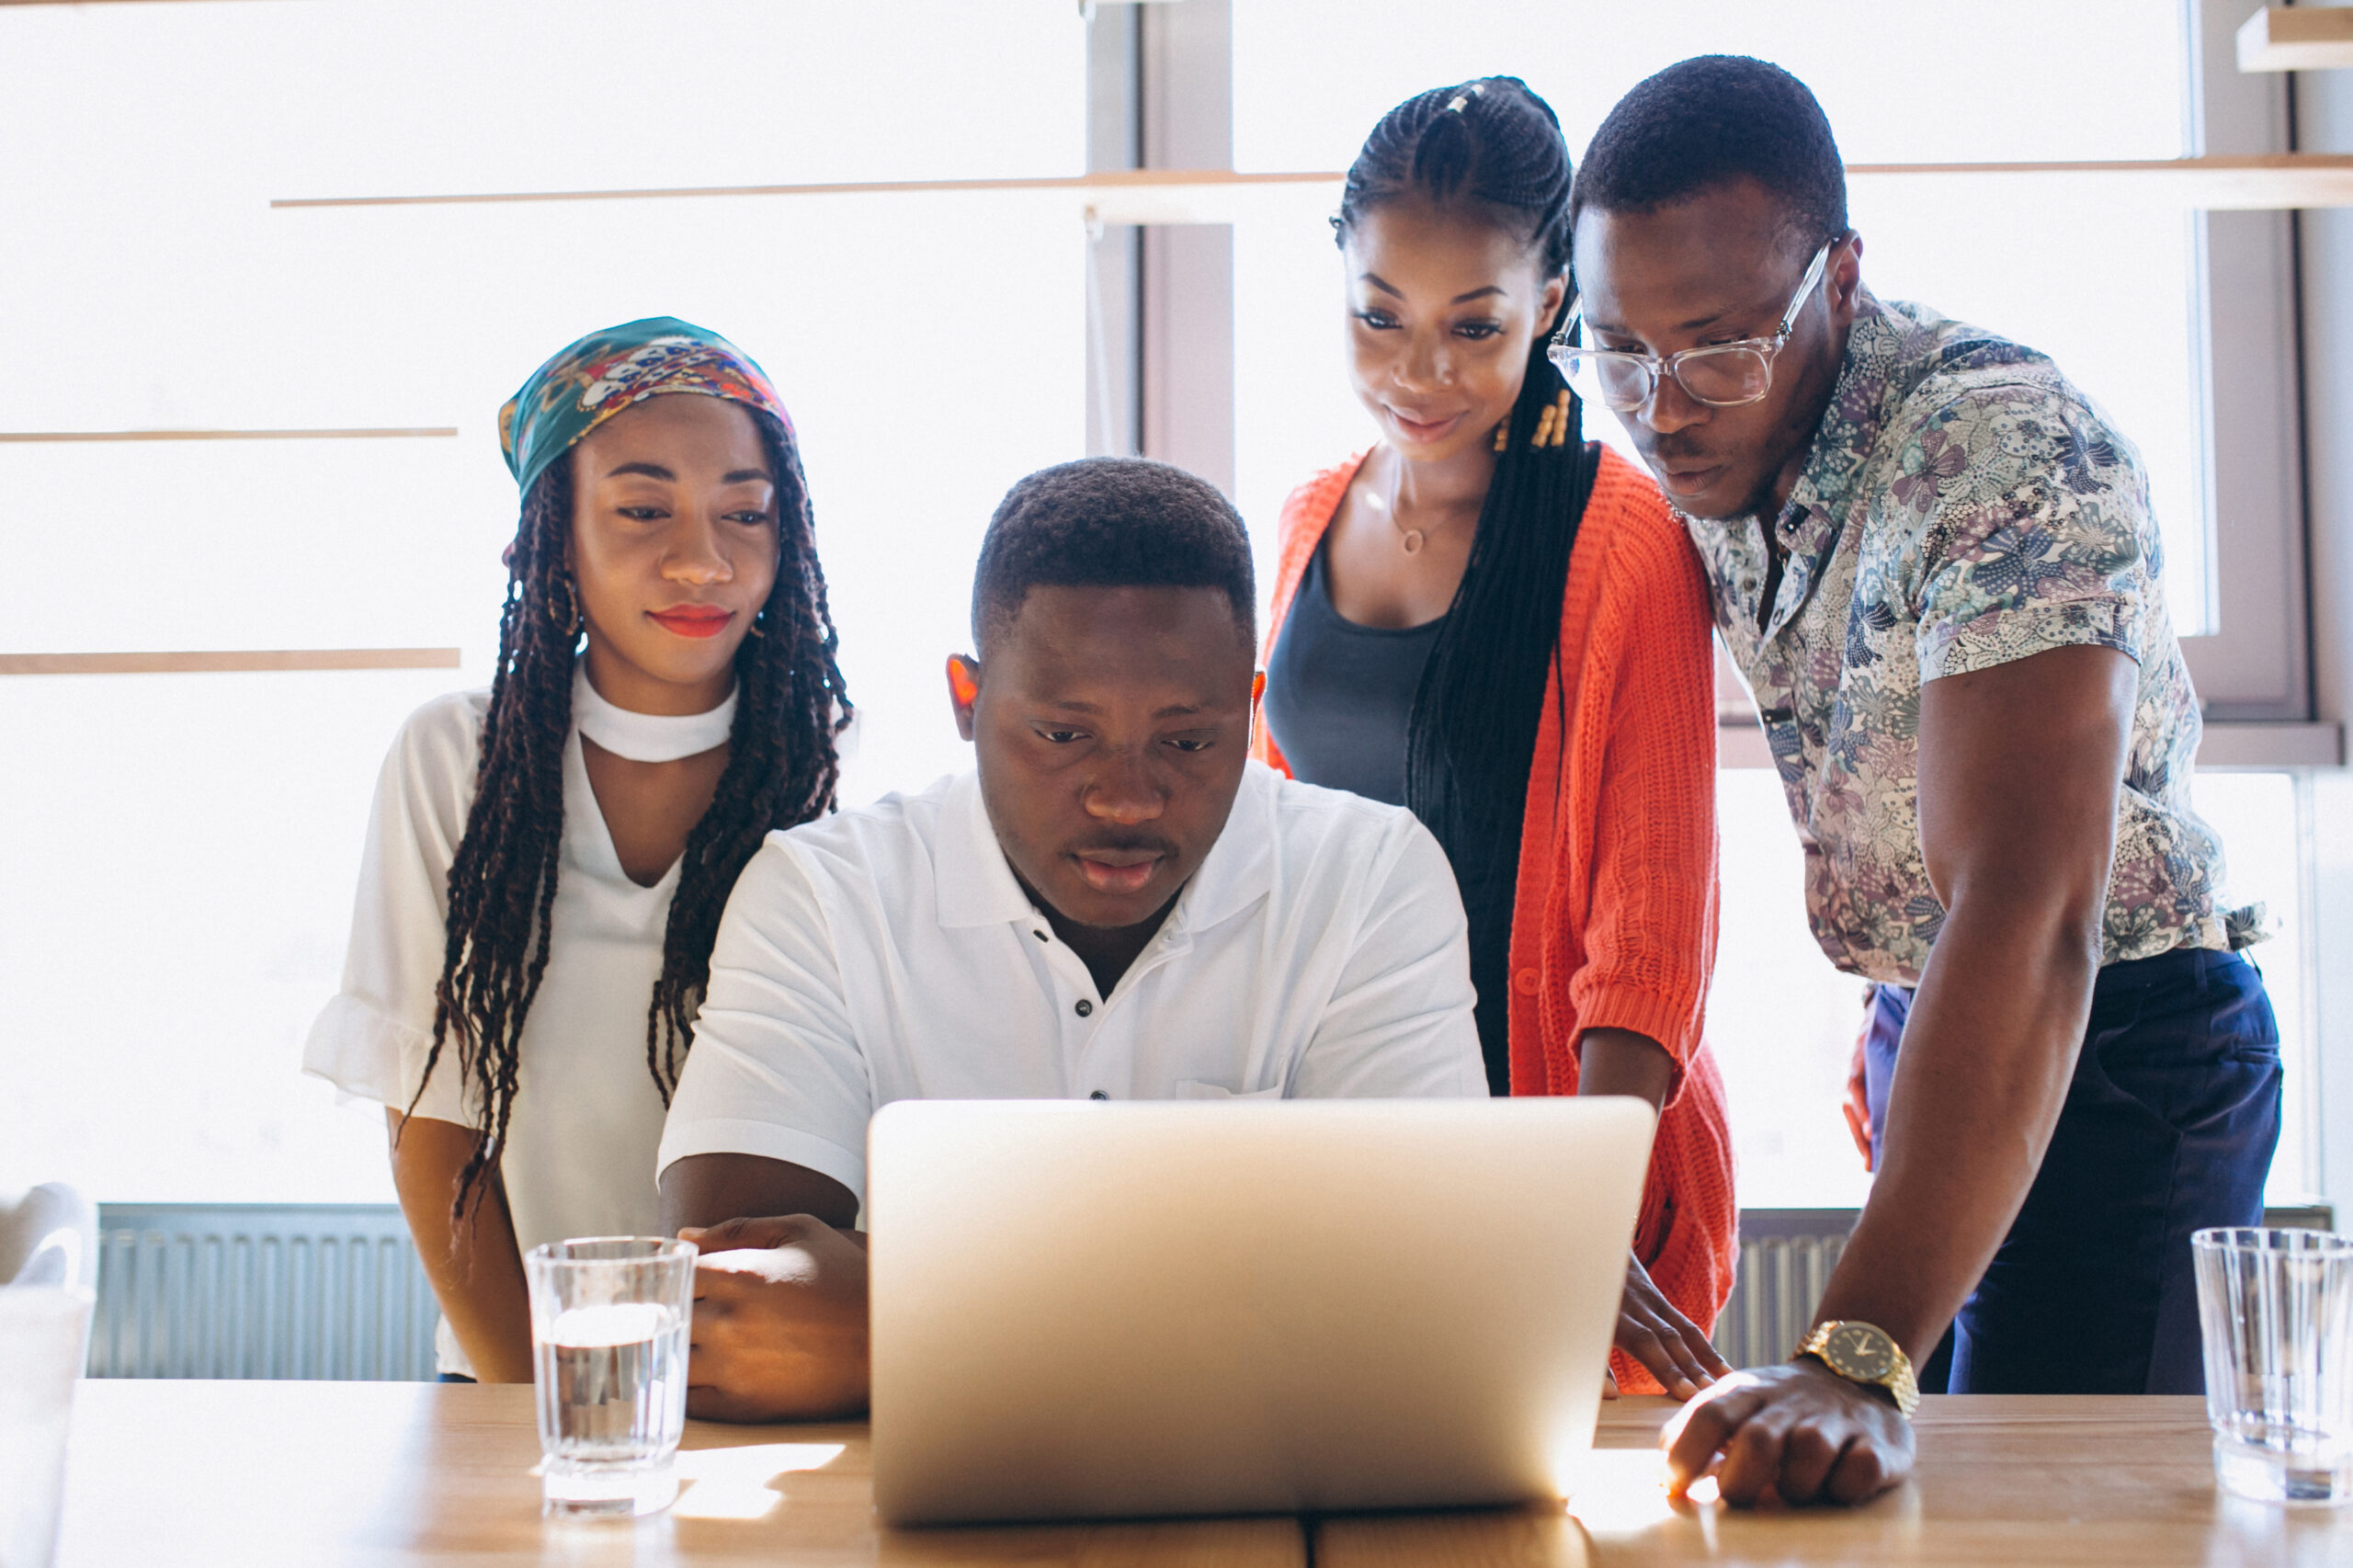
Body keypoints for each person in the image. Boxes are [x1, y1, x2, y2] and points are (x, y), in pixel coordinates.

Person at [1560, 57, 2282, 1504]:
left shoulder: (2003, 454)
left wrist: (1854, 1349)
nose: (1662, 404)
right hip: (1932, 1026)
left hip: (2117, 1054)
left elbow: (2028, 906)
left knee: (2060, 1523)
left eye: (1713, 349)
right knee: (1910, 1516)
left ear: (1838, 277)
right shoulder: (1703, 442)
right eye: (1617, 348)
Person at [655, 457, 1487, 1422]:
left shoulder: (1371, 877)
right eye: (1060, 734)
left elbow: (1422, 1295)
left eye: (1187, 741)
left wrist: (900, 1325)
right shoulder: (825, 893)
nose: (1125, 796)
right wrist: (1255, 1289)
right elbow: (730, 1310)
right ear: (966, 701)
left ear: (1248, 706)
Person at [1255, 78, 1733, 1402]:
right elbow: (1272, 853)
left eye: (1476, 326)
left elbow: (1651, 942)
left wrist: (1566, 1217)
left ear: (1555, 307)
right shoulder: (1303, 520)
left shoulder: (1621, 540)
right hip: (1343, 1167)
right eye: (1378, 316)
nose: (1419, 373)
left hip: (1558, 1168)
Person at [304, 318, 852, 1382]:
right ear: (555, 533)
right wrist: (542, 1405)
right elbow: (435, 1133)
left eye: (746, 511)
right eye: (643, 509)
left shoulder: (840, 770)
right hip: (513, 1379)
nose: (704, 558)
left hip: (769, 1389)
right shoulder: (453, 760)